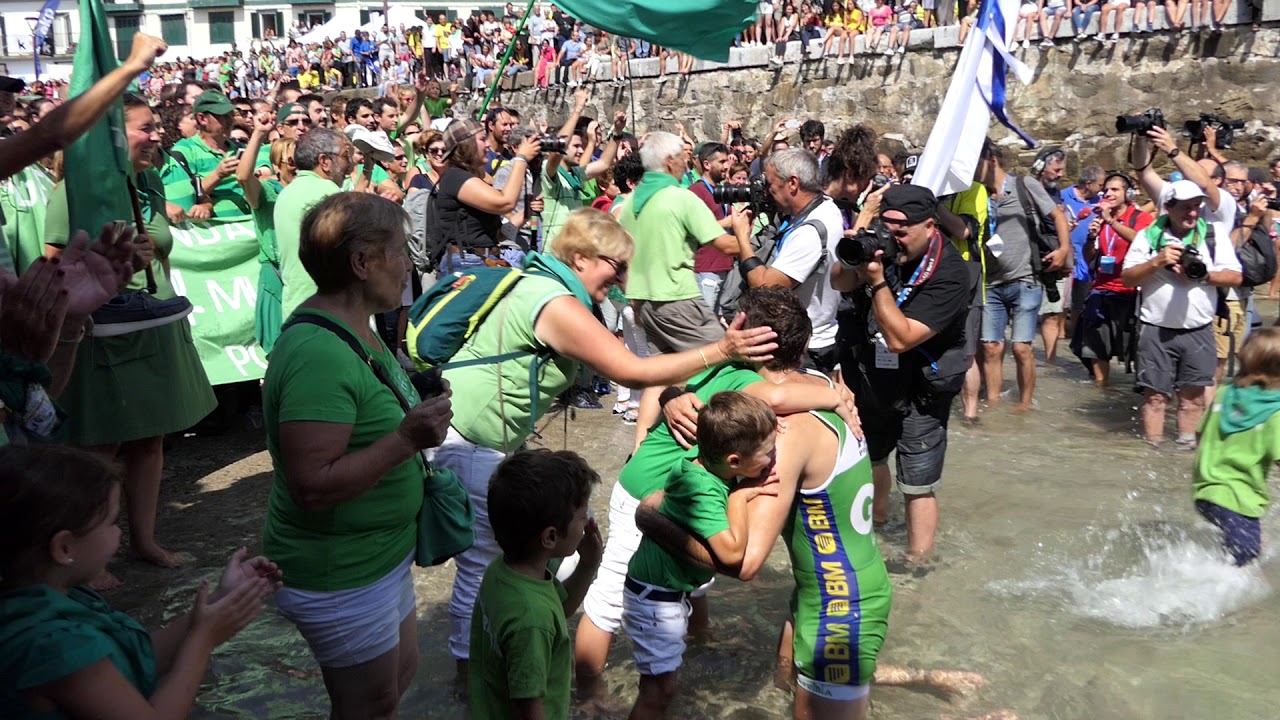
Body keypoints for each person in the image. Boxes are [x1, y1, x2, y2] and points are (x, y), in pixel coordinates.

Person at [437, 208, 778, 684]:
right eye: (614, 265)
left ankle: (507, 670)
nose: (621, 279)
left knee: (515, 561)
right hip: (470, 441)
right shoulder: (554, 303)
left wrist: (678, 393)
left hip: (477, 441)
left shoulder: (541, 286)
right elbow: (630, 371)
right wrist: (724, 349)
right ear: (579, 257)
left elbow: (648, 373)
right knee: (483, 567)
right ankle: (475, 681)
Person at [573, 288, 856, 706]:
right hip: (648, 492)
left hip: (658, 482)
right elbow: (775, 396)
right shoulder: (748, 383)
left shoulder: (719, 359)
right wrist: (837, 396)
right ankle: (588, 692)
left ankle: (698, 637)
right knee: (609, 598)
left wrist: (647, 427)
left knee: (689, 574)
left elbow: (658, 381)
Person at [263, 192, 455, 718]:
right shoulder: (319, 352)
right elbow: (312, 485)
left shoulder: (357, 327)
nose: (410, 263)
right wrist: (406, 439)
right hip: (339, 569)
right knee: (369, 705)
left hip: (377, 556)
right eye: (400, 249)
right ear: (362, 262)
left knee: (393, 685)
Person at [43, 93, 217, 586]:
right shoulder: (77, 190)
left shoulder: (150, 179)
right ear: (113, 137)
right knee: (102, 446)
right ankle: (84, 551)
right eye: (145, 128)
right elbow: (54, 261)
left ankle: (143, 539)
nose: (157, 134)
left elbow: (161, 247)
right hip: (103, 331)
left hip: (153, 323)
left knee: (151, 439)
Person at [0, 445, 279, 720]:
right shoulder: (55, 645)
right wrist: (203, 641)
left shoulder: (57, 597)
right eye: (111, 521)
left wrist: (220, 601)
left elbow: (139, 660)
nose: (119, 532)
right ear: (64, 548)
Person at [832, 185, 973, 561]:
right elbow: (838, 282)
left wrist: (877, 281)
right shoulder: (882, 247)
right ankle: (875, 524)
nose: (892, 239)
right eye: (886, 227)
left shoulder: (950, 273)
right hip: (874, 378)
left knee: (917, 483)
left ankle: (918, 563)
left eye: (901, 231)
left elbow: (900, 338)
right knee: (870, 458)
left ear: (930, 226)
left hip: (921, 389)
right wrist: (858, 243)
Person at [623, 392, 780, 719]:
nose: (773, 459)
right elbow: (732, 554)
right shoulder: (703, 488)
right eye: (768, 453)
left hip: (660, 591)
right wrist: (740, 495)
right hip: (655, 600)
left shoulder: (705, 456)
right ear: (734, 462)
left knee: (662, 683)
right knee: (659, 690)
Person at [615, 131, 754, 437]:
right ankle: (726, 437)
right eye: (682, 156)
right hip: (678, 299)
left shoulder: (631, 203)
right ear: (669, 161)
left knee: (661, 375)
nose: (686, 162)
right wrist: (744, 232)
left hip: (643, 304)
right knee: (727, 363)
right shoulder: (681, 197)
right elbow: (725, 245)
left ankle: (641, 445)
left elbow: (622, 257)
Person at [468, 450, 603, 720]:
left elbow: (559, 609)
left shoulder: (503, 572)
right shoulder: (531, 620)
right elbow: (528, 711)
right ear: (550, 536)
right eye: (582, 516)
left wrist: (588, 565)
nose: (587, 522)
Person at [977, 139, 1070, 411]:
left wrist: (1064, 249)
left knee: (1021, 348)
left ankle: (1025, 405)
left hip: (1026, 279)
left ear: (991, 160)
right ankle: (993, 405)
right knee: (992, 348)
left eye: (976, 164)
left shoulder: (1025, 185)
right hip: (990, 283)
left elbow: (1058, 215)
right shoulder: (977, 194)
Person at [741, 148, 845, 374]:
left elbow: (765, 286)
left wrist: (742, 238)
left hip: (805, 347)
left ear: (793, 183)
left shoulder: (810, 232)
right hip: (813, 337)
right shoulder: (827, 208)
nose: (767, 192)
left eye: (770, 184)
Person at [1191, 327, 1280, 567]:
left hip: (1205, 492)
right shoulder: (1275, 413)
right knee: (1246, 555)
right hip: (1238, 498)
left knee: (1240, 551)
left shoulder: (1224, 394)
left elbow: (1199, 433)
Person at [1072, 172, 1153, 386]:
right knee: (1095, 347)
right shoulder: (1100, 220)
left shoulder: (1141, 218)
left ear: (1129, 194)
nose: (1108, 193)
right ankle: (1101, 386)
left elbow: (1142, 241)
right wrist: (1091, 237)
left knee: (1136, 350)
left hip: (1130, 293)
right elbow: (1090, 256)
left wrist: (1112, 222)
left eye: (1115, 189)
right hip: (1101, 289)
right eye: (1106, 190)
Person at [433, 117, 540, 272]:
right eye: (482, 139)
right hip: (466, 264)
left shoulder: (471, 179)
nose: (488, 145)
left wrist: (526, 213)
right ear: (465, 146)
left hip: (485, 260)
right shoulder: (455, 177)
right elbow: (505, 203)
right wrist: (521, 158)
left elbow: (498, 235)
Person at [275, 127, 352, 321]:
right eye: (345, 156)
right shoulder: (329, 193)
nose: (349, 166)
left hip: (296, 307)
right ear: (325, 161)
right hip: (332, 311)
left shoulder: (286, 193)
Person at [237, 111, 295, 354]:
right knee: (280, 348)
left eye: (300, 160)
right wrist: (259, 133)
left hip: (306, 273)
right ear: (275, 166)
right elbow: (242, 176)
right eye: (289, 161)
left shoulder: (312, 189)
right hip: (277, 273)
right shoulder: (267, 193)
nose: (296, 166)